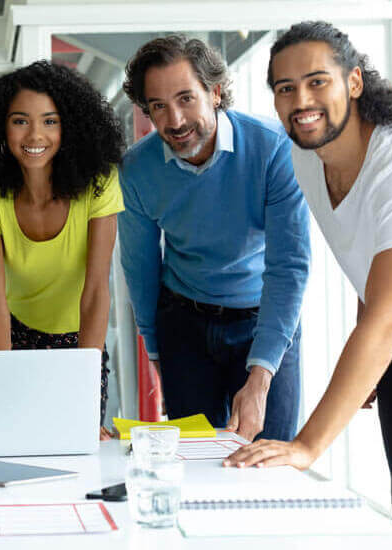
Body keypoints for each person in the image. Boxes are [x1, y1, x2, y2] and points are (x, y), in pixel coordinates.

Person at [226, 21, 392, 549]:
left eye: (317, 82)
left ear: (354, 82)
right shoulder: (306, 159)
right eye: (285, 88)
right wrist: (376, 362)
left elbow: (388, 317)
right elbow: (369, 264)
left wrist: (307, 446)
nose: (301, 100)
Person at [118, 36, 310, 442]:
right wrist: (158, 354)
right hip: (184, 325)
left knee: (268, 458)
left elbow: (288, 266)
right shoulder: (137, 169)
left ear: (215, 91)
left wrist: (260, 377)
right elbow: (140, 267)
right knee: (197, 463)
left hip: (264, 317)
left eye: (186, 98)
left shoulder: (274, 149)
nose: (174, 120)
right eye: (158, 106)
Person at [0, 61, 124, 435]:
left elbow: (96, 291)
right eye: (20, 121)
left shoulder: (99, 183)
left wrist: (83, 385)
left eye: (50, 121)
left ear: (70, 126)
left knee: (79, 441)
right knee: (12, 434)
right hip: (15, 337)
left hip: (81, 343)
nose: (35, 135)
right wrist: (3, 381)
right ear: (1, 126)